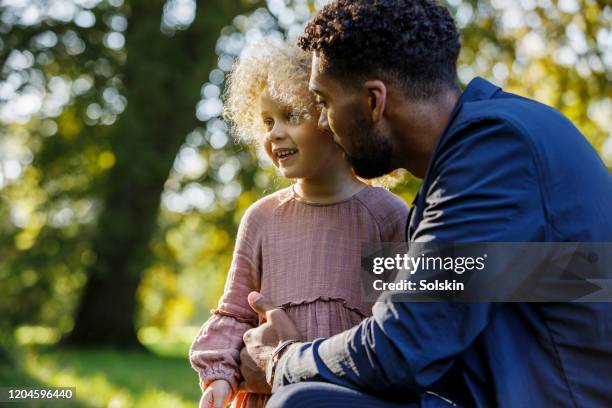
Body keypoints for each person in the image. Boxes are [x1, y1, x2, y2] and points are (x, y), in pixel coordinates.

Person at [238, 1, 612, 407]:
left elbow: (401, 347)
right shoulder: (479, 154)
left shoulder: (495, 151)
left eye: (324, 103)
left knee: (301, 403)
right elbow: (511, 278)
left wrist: (281, 362)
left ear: (373, 101)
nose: (325, 123)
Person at [188, 40, 409, 408]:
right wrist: (220, 375)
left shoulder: (384, 216)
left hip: (343, 395)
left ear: (331, 118)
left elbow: (396, 327)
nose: (274, 134)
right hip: (265, 395)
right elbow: (235, 312)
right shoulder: (261, 218)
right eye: (267, 122)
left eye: (291, 115)